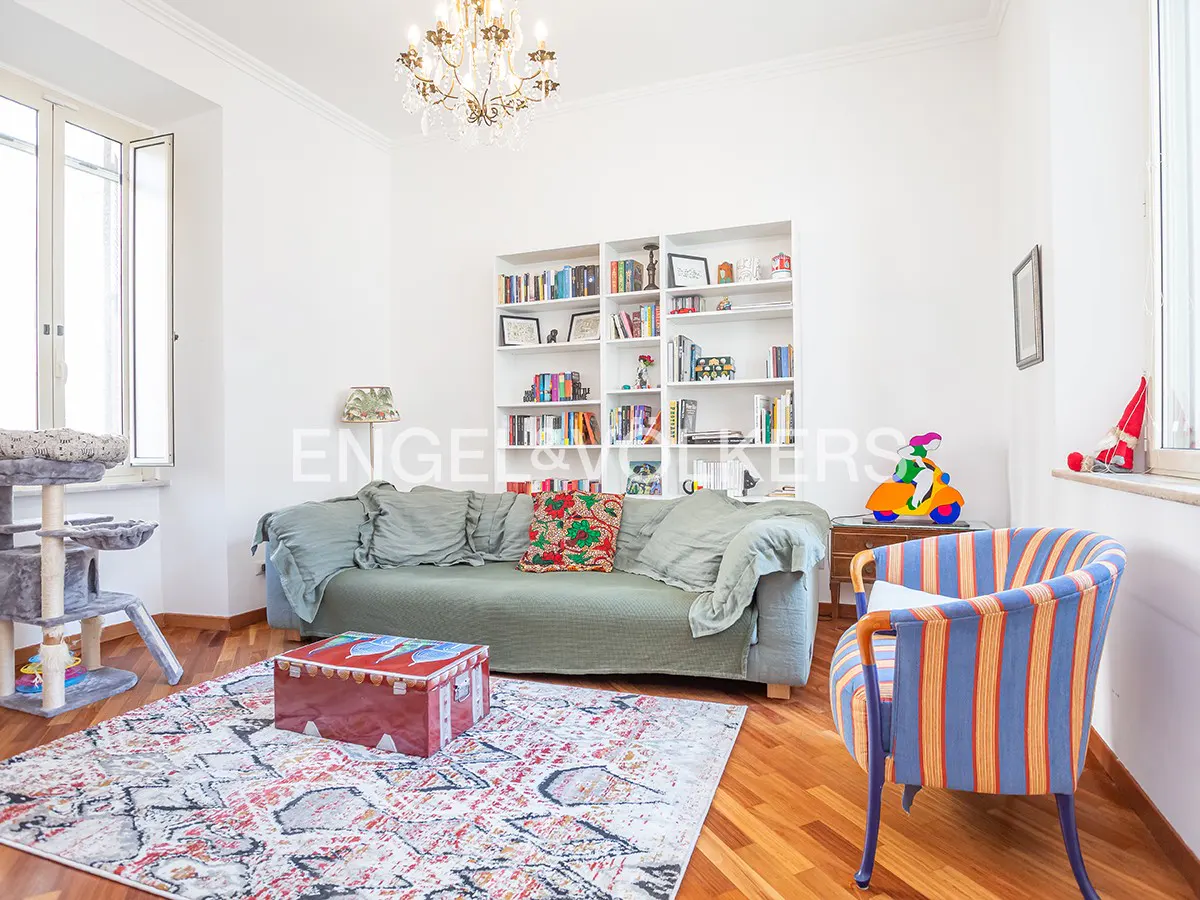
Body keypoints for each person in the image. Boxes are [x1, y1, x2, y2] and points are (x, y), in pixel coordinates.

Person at [892, 432, 941, 511]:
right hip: (905, 469)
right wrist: (915, 457)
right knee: (928, 474)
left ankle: (918, 499)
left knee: (928, 474)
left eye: (938, 443)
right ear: (929, 441)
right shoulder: (916, 447)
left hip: (913, 468)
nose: (937, 445)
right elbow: (901, 452)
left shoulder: (924, 451)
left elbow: (920, 462)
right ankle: (915, 501)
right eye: (936, 443)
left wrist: (925, 469)